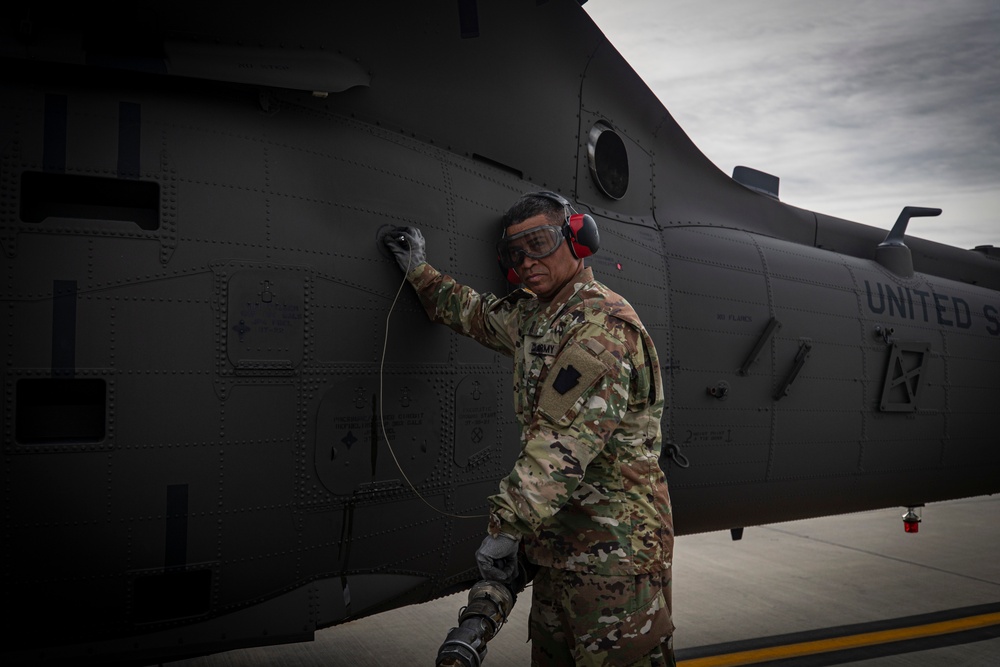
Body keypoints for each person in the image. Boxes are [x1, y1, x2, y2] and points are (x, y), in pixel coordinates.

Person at [383, 191, 674, 666]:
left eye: (539, 243)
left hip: (614, 557)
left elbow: (558, 449)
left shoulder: (600, 329)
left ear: (578, 240)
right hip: (558, 548)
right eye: (515, 253)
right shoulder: (537, 316)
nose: (527, 262)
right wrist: (419, 272)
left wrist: (504, 529)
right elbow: (473, 314)